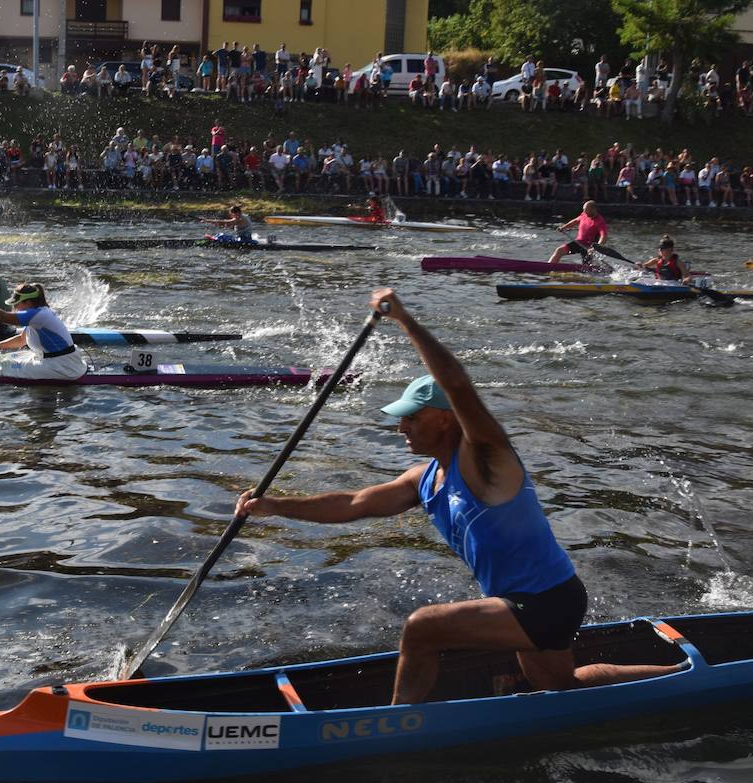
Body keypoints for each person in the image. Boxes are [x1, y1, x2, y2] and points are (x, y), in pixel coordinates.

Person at [236, 289, 684, 705]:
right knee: (559, 687)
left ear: (446, 419)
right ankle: (679, 676)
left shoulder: (489, 461)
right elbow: (355, 504)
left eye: (412, 417)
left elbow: (457, 385)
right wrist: (274, 506)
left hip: (546, 601)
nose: (401, 427)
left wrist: (405, 321)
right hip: (530, 600)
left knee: (423, 628)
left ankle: (396, 725)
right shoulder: (424, 478)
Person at [0, 283, 87, 381]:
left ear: (28, 303)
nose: (15, 308)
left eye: (16, 304)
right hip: (57, 361)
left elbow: (0, 317)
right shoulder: (39, 313)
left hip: (61, 366)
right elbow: (21, 340)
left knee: (3, 364)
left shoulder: (38, 315)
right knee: (4, 359)